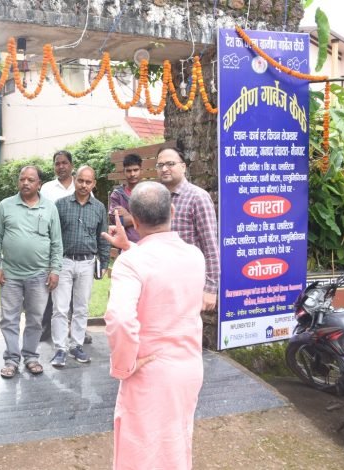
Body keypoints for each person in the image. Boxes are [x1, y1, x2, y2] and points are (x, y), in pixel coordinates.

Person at [103, 182, 205, 470]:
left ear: (133, 220)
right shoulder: (194, 256)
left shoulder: (131, 263)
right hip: (188, 368)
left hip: (149, 371)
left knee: (141, 450)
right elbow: (162, 264)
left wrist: (124, 365)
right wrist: (130, 247)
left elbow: (119, 318)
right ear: (172, 210)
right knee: (176, 443)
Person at [0, 166, 62, 379]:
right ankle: (11, 360)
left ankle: (31, 356)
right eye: (22, 179)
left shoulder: (49, 208)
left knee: (35, 319)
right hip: (10, 274)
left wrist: (55, 270)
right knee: (9, 319)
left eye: (31, 180)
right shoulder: (5, 205)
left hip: (39, 274)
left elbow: (56, 242)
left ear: (39, 184)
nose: (25, 183)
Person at [155, 146, 220, 343]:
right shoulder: (157, 198)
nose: (164, 169)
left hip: (187, 283)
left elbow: (210, 245)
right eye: (160, 165)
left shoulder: (197, 197)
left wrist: (211, 289)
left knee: (184, 337)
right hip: (161, 281)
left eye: (170, 164)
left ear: (183, 167)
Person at [50, 166, 110, 368]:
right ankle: (60, 349)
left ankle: (76, 345)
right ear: (75, 180)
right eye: (81, 181)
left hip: (87, 263)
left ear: (94, 184)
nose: (84, 185)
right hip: (64, 262)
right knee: (60, 308)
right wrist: (52, 265)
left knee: (81, 308)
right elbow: (53, 237)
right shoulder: (60, 205)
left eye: (88, 182)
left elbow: (103, 237)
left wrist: (104, 263)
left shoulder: (99, 208)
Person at [39, 150, 77, 342]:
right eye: (57, 163)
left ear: (71, 165)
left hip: (74, 247)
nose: (61, 166)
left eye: (64, 163)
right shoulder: (47, 189)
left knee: (75, 292)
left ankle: (76, 330)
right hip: (51, 248)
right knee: (49, 288)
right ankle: (46, 330)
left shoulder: (80, 185)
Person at [108, 153, 143, 243]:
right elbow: (116, 222)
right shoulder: (117, 195)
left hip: (146, 243)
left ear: (141, 170)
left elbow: (153, 219)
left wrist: (128, 215)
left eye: (135, 170)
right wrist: (143, 218)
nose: (132, 174)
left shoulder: (149, 192)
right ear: (124, 172)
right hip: (125, 244)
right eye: (129, 171)